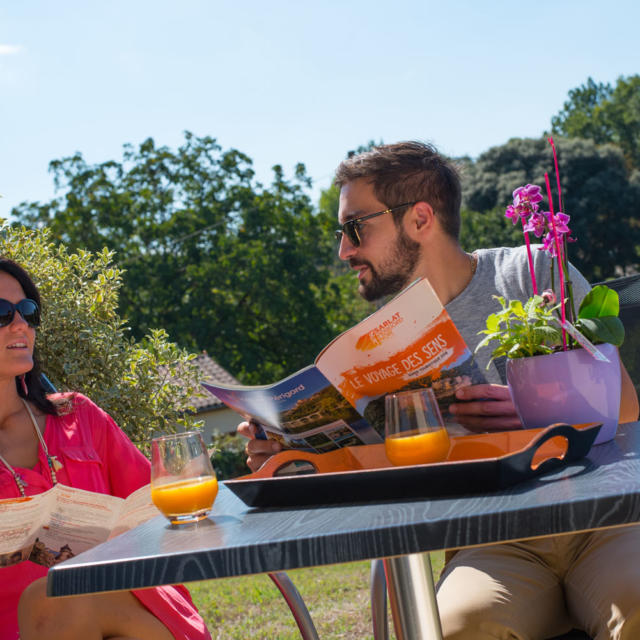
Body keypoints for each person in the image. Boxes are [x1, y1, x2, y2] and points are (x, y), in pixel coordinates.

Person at [239, 141, 640, 640]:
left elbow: (626, 410)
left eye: (355, 227)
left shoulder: (529, 273)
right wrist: (289, 454)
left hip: (603, 524)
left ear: (420, 219)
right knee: (454, 631)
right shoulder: (380, 346)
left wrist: (532, 411)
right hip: (495, 546)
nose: (344, 249)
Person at [0, 257, 211, 640]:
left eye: (28, 311)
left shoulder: (78, 416)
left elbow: (161, 504)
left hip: (131, 614)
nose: (20, 325)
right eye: (1, 313)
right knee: (52, 601)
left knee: (58, 596)